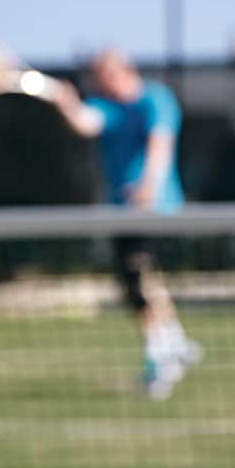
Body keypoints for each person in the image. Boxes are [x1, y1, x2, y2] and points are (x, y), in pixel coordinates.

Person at [49, 47, 200, 399]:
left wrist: (149, 185)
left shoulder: (155, 99)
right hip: (121, 211)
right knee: (142, 282)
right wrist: (65, 101)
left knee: (141, 279)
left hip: (156, 210)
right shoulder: (106, 106)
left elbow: (160, 144)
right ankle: (174, 344)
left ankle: (160, 358)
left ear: (122, 71)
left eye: (105, 76)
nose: (103, 84)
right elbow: (85, 122)